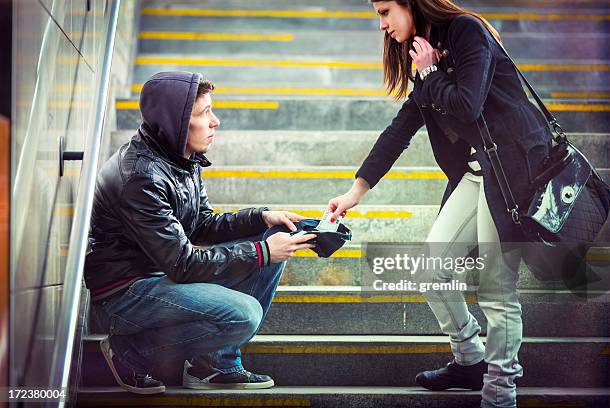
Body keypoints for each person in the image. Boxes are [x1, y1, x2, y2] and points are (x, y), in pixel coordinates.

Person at [327, 1, 552, 407]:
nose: (382, 25)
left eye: (384, 11)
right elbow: (401, 128)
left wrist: (430, 72)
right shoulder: (426, 54)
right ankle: (469, 360)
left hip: (510, 170)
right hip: (477, 172)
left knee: (496, 290)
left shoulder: (467, 32)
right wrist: (355, 192)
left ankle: (500, 393)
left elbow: (467, 104)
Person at [85, 71, 316, 394]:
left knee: (275, 235)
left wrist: (261, 218)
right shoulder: (141, 177)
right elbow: (183, 264)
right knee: (244, 313)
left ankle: (216, 365)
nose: (215, 121)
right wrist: (262, 252)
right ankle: (131, 353)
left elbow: (202, 225)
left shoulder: (179, 157)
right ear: (175, 121)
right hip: (125, 294)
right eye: (204, 113)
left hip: (159, 274)